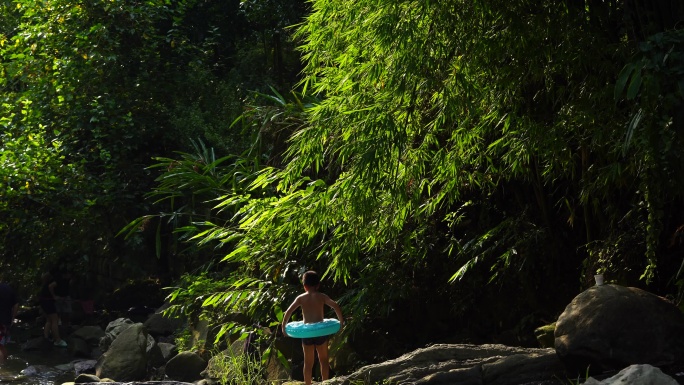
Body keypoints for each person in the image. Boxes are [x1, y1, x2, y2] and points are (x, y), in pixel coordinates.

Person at [282, 271, 344, 385]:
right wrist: (341, 322)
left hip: (307, 334)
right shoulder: (322, 296)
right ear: (318, 285)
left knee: (308, 362)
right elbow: (335, 305)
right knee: (324, 360)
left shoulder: (301, 298)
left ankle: (308, 384)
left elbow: (289, 311)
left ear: (304, 286)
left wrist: (283, 327)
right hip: (320, 332)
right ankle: (325, 382)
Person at [39, 273, 67, 347]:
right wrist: (54, 296)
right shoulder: (56, 280)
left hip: (43, 301)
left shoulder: (44, 285)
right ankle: (57, 340)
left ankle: (46, 337)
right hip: (48, 302)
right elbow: (51, 286)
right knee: (55, 320)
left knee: (49, 320)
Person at [0, 281, 18, 361]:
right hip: (6, 321)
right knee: (2, 345)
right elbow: (16, 304)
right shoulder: (9, 289)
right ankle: (4, 364)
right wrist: (13, 318)